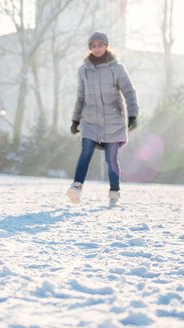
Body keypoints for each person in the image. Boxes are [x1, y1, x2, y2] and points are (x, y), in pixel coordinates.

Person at [67, 31, 139, 204]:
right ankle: (76, 187)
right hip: (90, 120)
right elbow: (81, 97)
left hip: (113, 120)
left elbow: (129, 91)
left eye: (100, 45)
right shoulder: (83, 70)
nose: (96, 49)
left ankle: (114, 191)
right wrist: (75, 119)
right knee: (85, 153)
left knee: (110, 158)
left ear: (106, 46)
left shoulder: (117, 68)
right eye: (93, 46)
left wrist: (133, 114)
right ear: (90, 48)